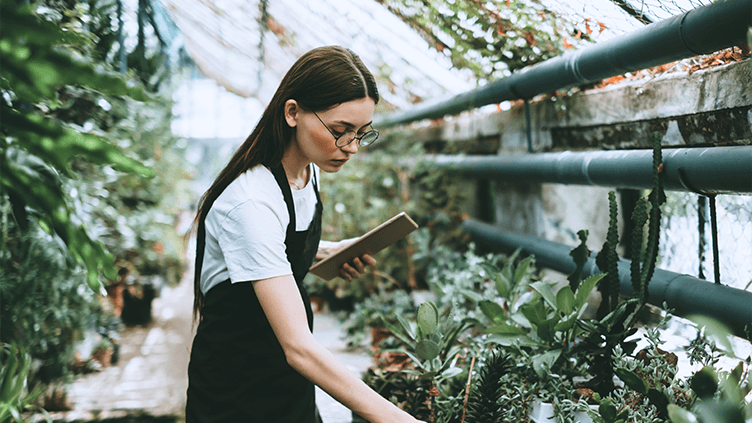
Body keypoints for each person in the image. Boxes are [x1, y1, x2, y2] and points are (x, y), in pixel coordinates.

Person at [186, 46, 425, 423]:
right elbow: (299, 346)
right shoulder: (250, 201)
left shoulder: (306, 171)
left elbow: (274, 245)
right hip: (236, 394)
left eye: (362, 134)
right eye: (340, 131)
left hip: (289, 382)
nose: (351, 148)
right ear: (292, 111)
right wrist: (395, 418)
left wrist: (325, 251)